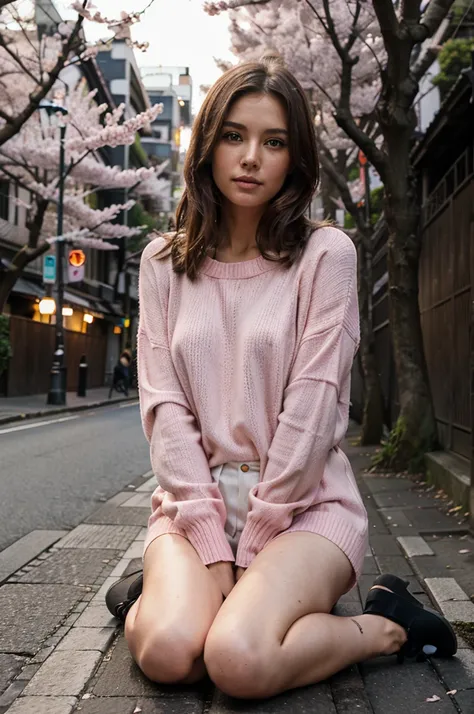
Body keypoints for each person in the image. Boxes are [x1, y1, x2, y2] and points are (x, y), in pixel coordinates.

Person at [105, 56, 456, 699]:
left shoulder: (326, 255)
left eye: (274, 142)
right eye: (234, 136)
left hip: (304, 509)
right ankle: (157, 595)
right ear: (207, 143)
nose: (250, 158)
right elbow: (164, 405)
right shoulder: (163, 261)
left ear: (294, 159)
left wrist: (254, 541)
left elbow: (315, 409)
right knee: (169, 653)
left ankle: (385, 623)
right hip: (194, 503)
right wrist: (212, 545)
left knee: (237, 660)